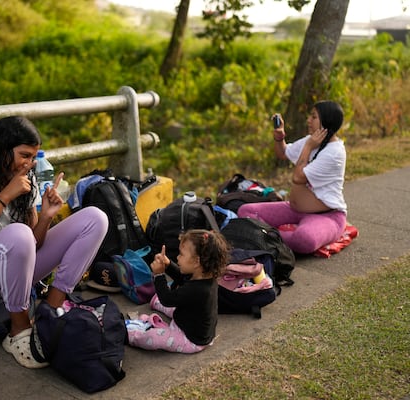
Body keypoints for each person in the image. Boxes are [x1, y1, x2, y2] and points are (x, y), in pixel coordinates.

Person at [0, 116, 108, 369]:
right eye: (24, 155)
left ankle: (50, 310)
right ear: (1, 149)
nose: (30, 164)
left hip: (15, 271)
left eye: (33, 157)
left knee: (95, 219)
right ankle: (18, 331)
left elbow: (34, 244)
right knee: (18, 233)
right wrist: (4, 196)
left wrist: (45, 218)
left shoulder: (26, 180)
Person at [237, 101, 347, 254]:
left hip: (327, 216)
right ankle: (271, 236)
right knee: (245, 211)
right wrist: (279, 137)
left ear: (326, 122)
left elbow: (298, 178)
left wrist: (308, 147)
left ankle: (264, 236)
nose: (308, 120)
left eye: (313, 117)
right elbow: (283, 153)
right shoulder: (312, 140)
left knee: (304, 239)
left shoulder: (334, 152)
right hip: (294, 209)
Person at [127, 229, 230, 353]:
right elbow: (182, 279)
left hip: (191, 339)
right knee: (175, 302)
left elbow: (167, 299)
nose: (177, 257)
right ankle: (155, 302)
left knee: (154, 337)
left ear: (197, 261)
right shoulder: (204, 278)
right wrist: (168, 264)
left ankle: (131, 335)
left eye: (181, 254)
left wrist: (159, 275)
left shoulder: (199, 290)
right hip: (188, 319)